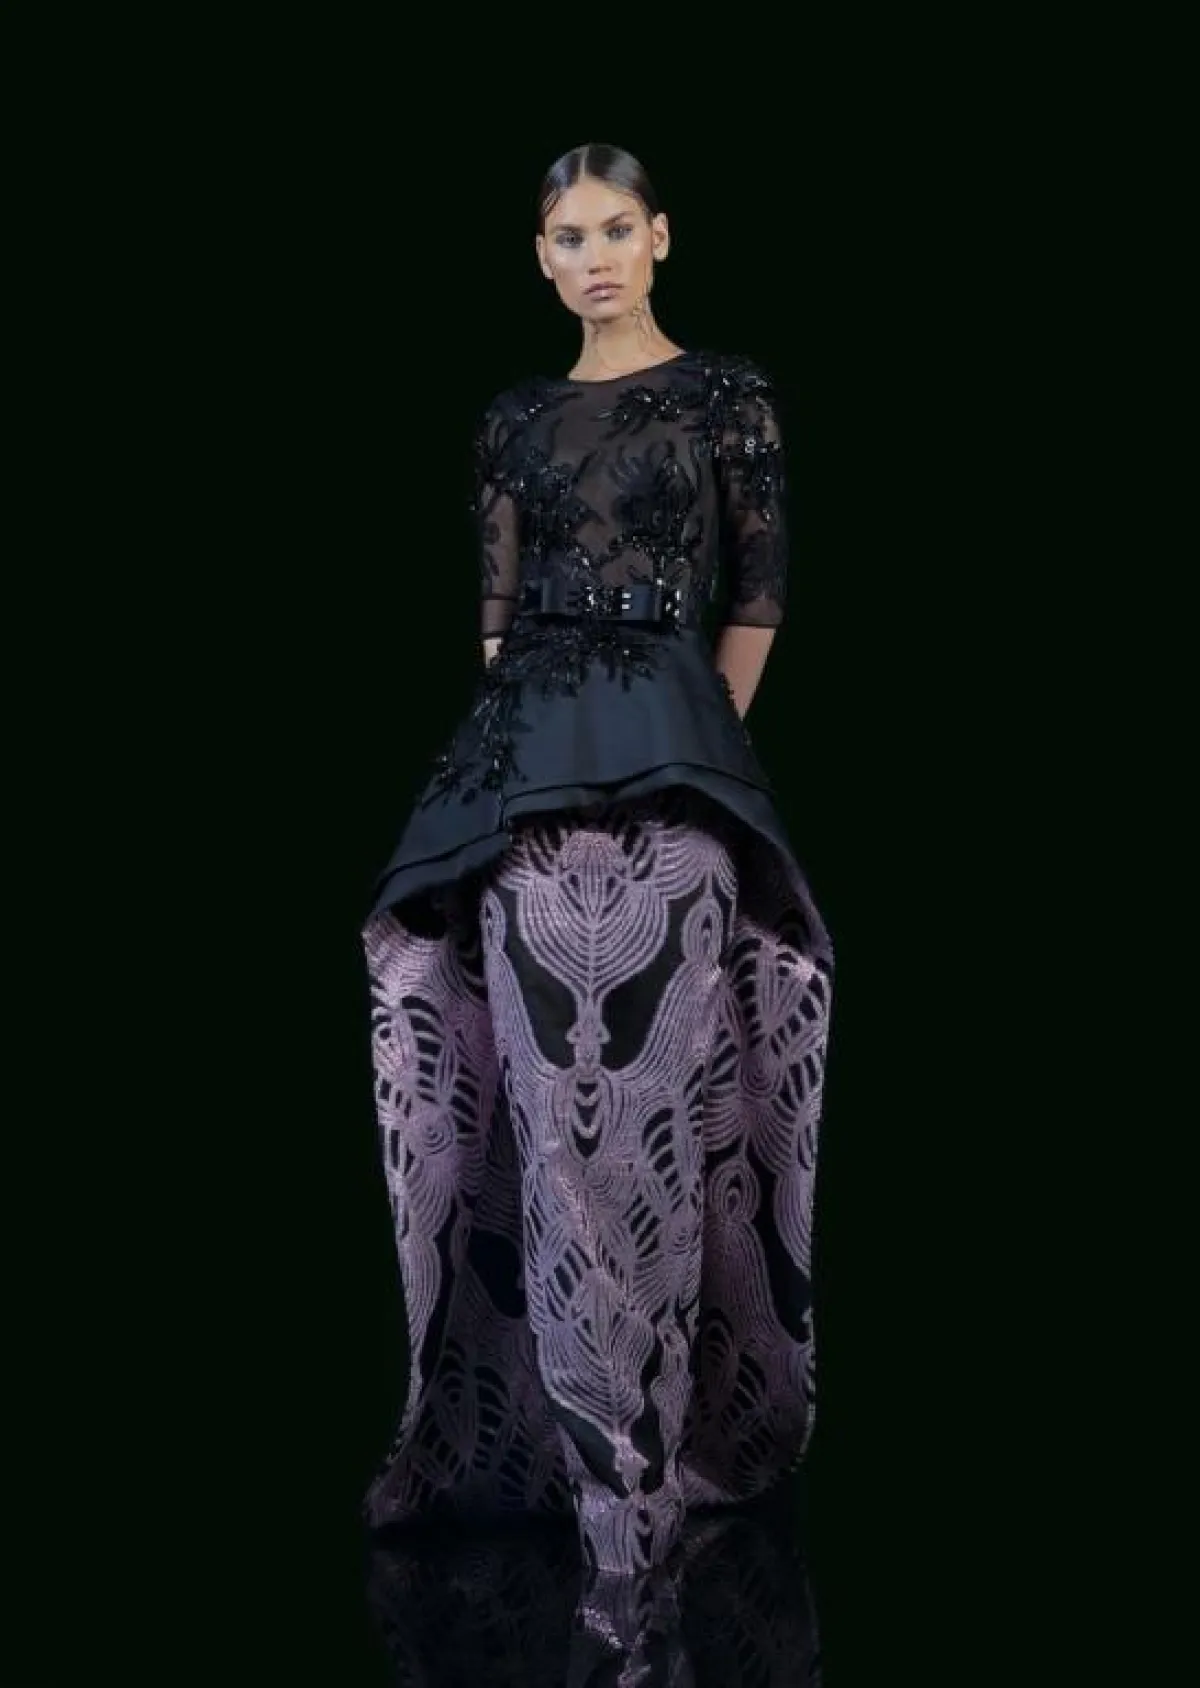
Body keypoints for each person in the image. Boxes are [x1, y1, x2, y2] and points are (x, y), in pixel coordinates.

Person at [360, 141, 834, 1577]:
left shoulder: (726, 394)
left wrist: (694, 741)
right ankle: (571, 1457)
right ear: (543, 258)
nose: (595, 258)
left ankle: (661, 1446)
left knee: (653, 1100)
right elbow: (496, 625)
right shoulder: (512, 418)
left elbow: (757, 592)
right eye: (569, 237)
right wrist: (536, 747)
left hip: (675, 752)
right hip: (523, 767)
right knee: (523, 1087)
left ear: (661, 236)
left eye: (616, 229)